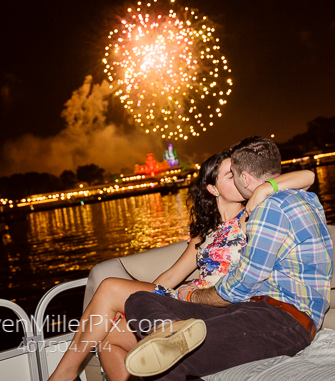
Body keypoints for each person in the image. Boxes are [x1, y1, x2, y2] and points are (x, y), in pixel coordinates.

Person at [48, 149, 315, 381]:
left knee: (109, 287)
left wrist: (265, 188)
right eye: (230, 175)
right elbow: (170, 276)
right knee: (110, 336)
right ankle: (67, 374)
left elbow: (307, 177)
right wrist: (130, 305)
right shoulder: (203, 236)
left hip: (221, 307)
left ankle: (63, 376)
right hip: (184, 303)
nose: (240, 177)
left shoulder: (252, 215)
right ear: (213, 189)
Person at [123, 136, 333, 380]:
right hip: (250, 309)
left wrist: (191, 294)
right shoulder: (306, 197)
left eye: (233, 173)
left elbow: (238, 288)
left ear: (245, 178)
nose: (233, 179)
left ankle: (169, 341)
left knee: (172, 360)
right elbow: (307, 177)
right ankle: (168, 332)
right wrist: (266, 187)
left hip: (283, 319)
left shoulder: (266, 210)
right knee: (138, 299)